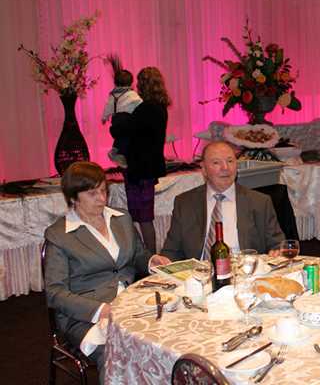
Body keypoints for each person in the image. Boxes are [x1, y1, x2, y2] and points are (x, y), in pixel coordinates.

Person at [43, 162, 169, 382]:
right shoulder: (60, 235)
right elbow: (55, 293)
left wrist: (151, 261)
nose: (102, 198)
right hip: (86, 317)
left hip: (133, 304)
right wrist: (101, 310)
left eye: (104, 191)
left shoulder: (121, 218)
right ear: (73, 197)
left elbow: (138, 254)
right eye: (92, 194)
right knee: (115, 354)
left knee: (164, 341)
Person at [160, 141, 285, 261]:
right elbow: (171, 252)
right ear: (204, 169)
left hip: (243, 271)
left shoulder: (259, 202)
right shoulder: (185, 203)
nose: (225, 168)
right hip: (199, 272)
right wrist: (162, 262)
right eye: (216, 163)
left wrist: (277, 252)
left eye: (230, 161)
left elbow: (277, 245)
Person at [111, 66, 170, 254]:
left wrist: (117, 118)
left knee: (142, 218)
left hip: (139, 170)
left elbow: (122, 130)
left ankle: (150, 257)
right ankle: (149, 256)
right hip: (149, 168)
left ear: (143, 85)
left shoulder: (146, 109)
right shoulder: (160, 107)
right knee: (144, 217)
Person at [101, 54, 142, 168]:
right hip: (127, 120)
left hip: (115, 121)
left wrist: (104, 117)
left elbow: (108, 107)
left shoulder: (112, 95)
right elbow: (140, 103)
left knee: (120, 137)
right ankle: (119, 154)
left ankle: (115, 150)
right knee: (128, 137)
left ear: (116, 83)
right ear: (131, 82)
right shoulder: (132, 94)